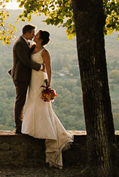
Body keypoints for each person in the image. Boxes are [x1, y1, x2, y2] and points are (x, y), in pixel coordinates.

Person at [21, 30, 73, 168]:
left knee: (41, 106)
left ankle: (48, 134)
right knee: (32, 103)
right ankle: (34, 128)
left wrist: (49, 84)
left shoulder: (44, 52)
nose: (35, 36)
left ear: (41, 39)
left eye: (37, 35)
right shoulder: (32, 48)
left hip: (40, 81)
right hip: (32, 81)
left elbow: (49, 68)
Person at [10, 24, 42, 134]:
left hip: (23, 76)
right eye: (33, 33)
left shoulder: (24, 42)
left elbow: (26, 55)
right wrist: (40, 67)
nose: (33, 36)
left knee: (22, 100)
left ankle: (22, 123)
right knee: (20, 101)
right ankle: (18, 126)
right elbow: (25, 61)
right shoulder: (19, 43)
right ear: (27, 33)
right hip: (20, 77)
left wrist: (31, 48)